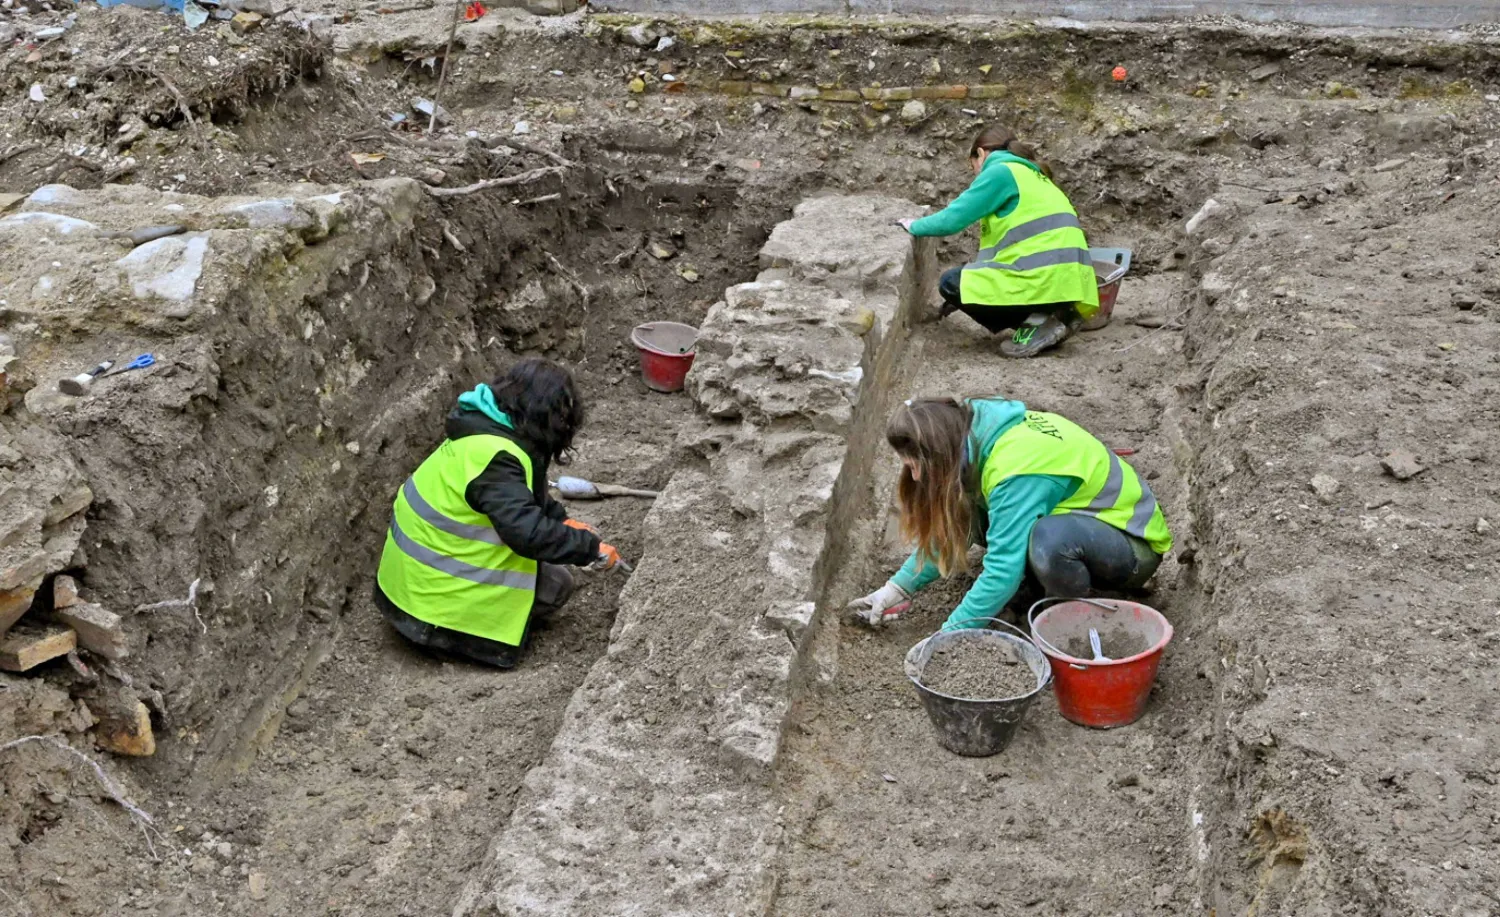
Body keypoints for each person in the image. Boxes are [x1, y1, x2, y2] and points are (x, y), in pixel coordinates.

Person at [374, 357, 622, 668]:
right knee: (557, 584)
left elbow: (523, 495)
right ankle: (463, 640)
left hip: (409, 587)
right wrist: (586, 548)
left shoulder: (484, 430)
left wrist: (560, 521)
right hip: (430, 609)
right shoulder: (498, 461)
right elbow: (527, 533)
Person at [848, 397, 1171, 631]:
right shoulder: (977, 436)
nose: (916, 477)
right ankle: (1032, 589)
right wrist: (895, 590)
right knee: (972, 507)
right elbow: (955, 527)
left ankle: (1063, 622)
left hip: (1129, 547)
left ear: (940, 450)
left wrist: (949, 635)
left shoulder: (1016, 471)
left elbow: (1002, 569)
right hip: (1083, 527)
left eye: (915, 465)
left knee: (1050, 540)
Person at [898, 125, 1100, 358]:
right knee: (968, 279)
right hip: (1071, 285)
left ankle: (1038, 324)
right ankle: (1058, 315)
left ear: (981, 154)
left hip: (1044, 281)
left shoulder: (1000, 172)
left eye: (972, 164)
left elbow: (951, 220)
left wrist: (913, 225)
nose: (974, 172)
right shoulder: (1034, 175)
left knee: (951, 282)